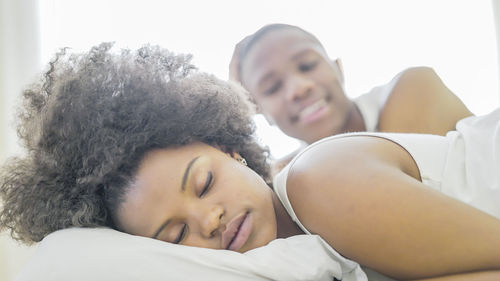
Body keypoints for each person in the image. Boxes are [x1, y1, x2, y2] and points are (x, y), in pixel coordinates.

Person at [1, 43, 500, 281]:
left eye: (203, 184)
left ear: (231, 149)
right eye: (175, 237)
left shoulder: (318, 181)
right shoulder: (302, 254)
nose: (207, 220)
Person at [229, 24, 473, 172]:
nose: (299, 88)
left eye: (307, 65)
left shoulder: (413, 87)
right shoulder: (289, 174)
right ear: (260, 112)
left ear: (339, 68)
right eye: (272, 87)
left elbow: (401, 199)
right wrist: (234, 109)